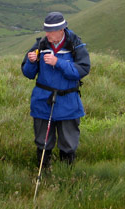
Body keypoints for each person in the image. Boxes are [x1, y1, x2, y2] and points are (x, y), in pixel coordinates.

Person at [21, 11, 90, 167]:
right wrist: (31, 62)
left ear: (61, 30)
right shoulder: (41, 45)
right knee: (43, 141)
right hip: (43, 101)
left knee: (68, 141)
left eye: (51, 31)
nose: (48, 35)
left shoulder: (75, 45)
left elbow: (82, 70)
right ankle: (44, 171)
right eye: (46, 31)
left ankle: (65, 174)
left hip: (68, 102)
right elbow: (28, 74)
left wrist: (58, 62)